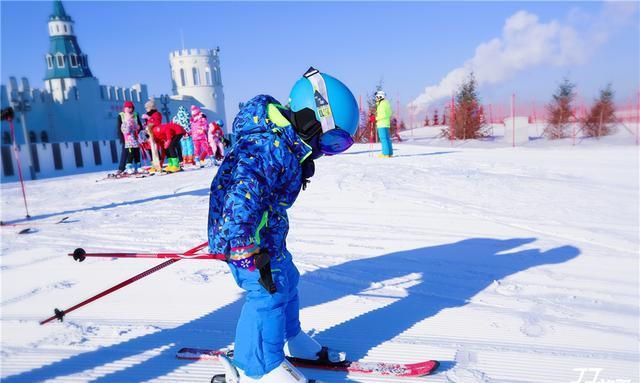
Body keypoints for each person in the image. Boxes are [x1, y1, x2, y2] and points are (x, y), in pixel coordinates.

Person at [210, 67, 359, 383]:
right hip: (244, 239)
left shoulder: (286, 144)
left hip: (266, 234)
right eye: (330, 140)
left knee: (287, 278)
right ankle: (257, 368)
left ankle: (293, 338)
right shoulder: (266, 146)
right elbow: (241, 190)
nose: (326, 150)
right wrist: (241, 239)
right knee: (268, 293)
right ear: (311, 119)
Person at [116, 101, 143, 174]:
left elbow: (140, 126)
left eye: (130, 108)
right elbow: (119, 128)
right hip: (126, 138)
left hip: (135, 137)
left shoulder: (135, 115)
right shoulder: (121, 115)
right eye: (127, 108)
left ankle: (137, 166)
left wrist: (138, 129)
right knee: (126, 153)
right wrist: (121, 138)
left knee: (136, 152)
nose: (128, 109)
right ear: (124, 108)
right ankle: (122, 168)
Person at [144, 100, 164, 172]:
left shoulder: (156, 114)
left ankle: (158, 164)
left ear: (151, 107)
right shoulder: (149, 115)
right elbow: (148, 124)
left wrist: (149, 119)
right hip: (149, 134)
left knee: (155, 149)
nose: (146, 109)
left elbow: (157, 122)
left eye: (147, 108)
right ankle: (154, 164)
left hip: (155, 134)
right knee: (150, 150)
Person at [375, 90, 393, 158]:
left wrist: (375, 118)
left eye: (376, 97)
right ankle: (389, 153)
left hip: (382, 124)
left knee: (383, 139)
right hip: (385, 123)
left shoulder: (382, 104)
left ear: (380, 97)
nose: (376, 98)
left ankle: (385, 154)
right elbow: (387, 113)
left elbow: (382, 115)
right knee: (387, 138)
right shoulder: (386, 103)